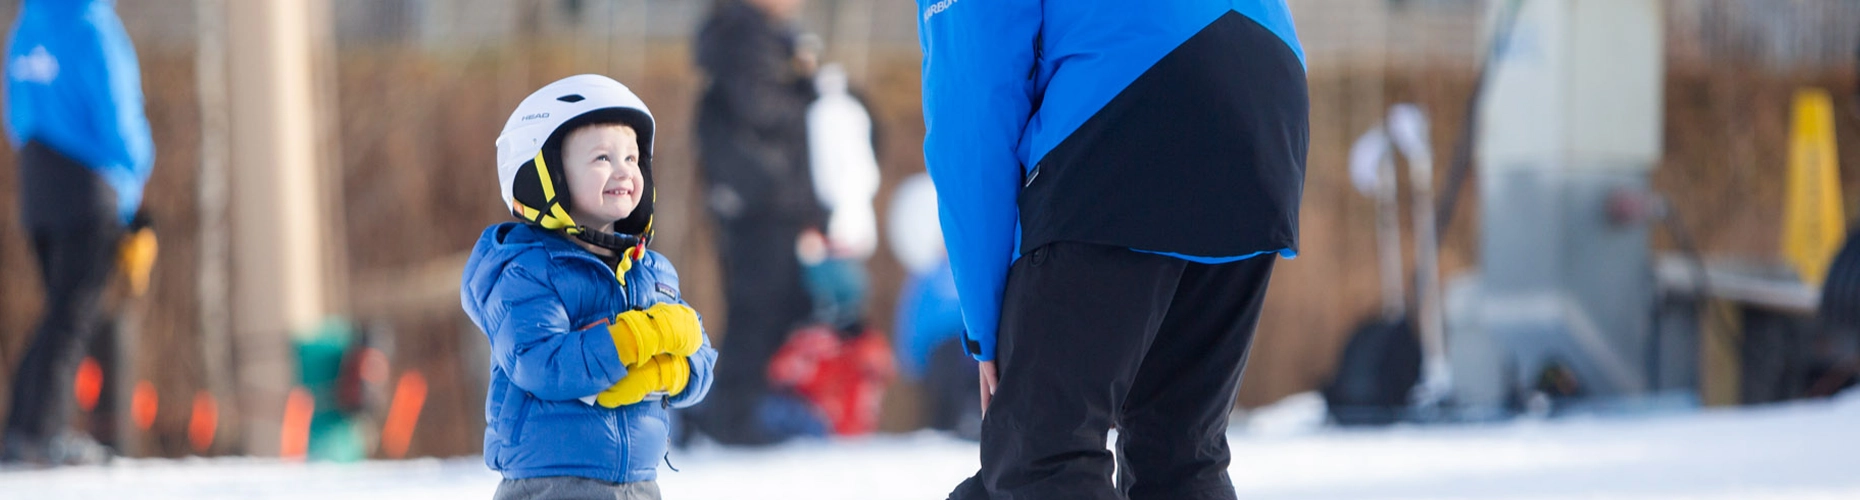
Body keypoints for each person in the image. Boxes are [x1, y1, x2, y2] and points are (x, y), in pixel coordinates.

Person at [917, 1, 1309, 499]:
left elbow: (973, 109)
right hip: (1265, 90)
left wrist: (985, 327)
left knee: (1044, 455)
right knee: (1179, 453)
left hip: (1135, 91)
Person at [461, 74, 717, 500]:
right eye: (602, 158)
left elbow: (702, 355)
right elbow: (540, 363)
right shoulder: (526, 270)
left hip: (638, 481)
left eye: (633, 159)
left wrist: (673, 371)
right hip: (555, 482)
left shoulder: (652, 272)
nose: (624, 171)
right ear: (545, 175)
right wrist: (632, 341)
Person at [2, 0, 154, 466]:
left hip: (38, 188)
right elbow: (119, 112)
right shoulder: (93, 27)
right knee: (71, 318)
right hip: (91, 189)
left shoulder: (28, 24)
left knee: (59, 315)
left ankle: (23, 429)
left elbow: (15, 111)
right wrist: (132, 187)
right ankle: (38, 434)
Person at [691, 0, 823, 446]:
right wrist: (807, 89)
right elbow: (761, 108)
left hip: (762, 199)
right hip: (761, 200)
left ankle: (729, 412)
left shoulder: (748, 34)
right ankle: (732, 418)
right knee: (757, 309)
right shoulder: (745, 35)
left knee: (771, 307)